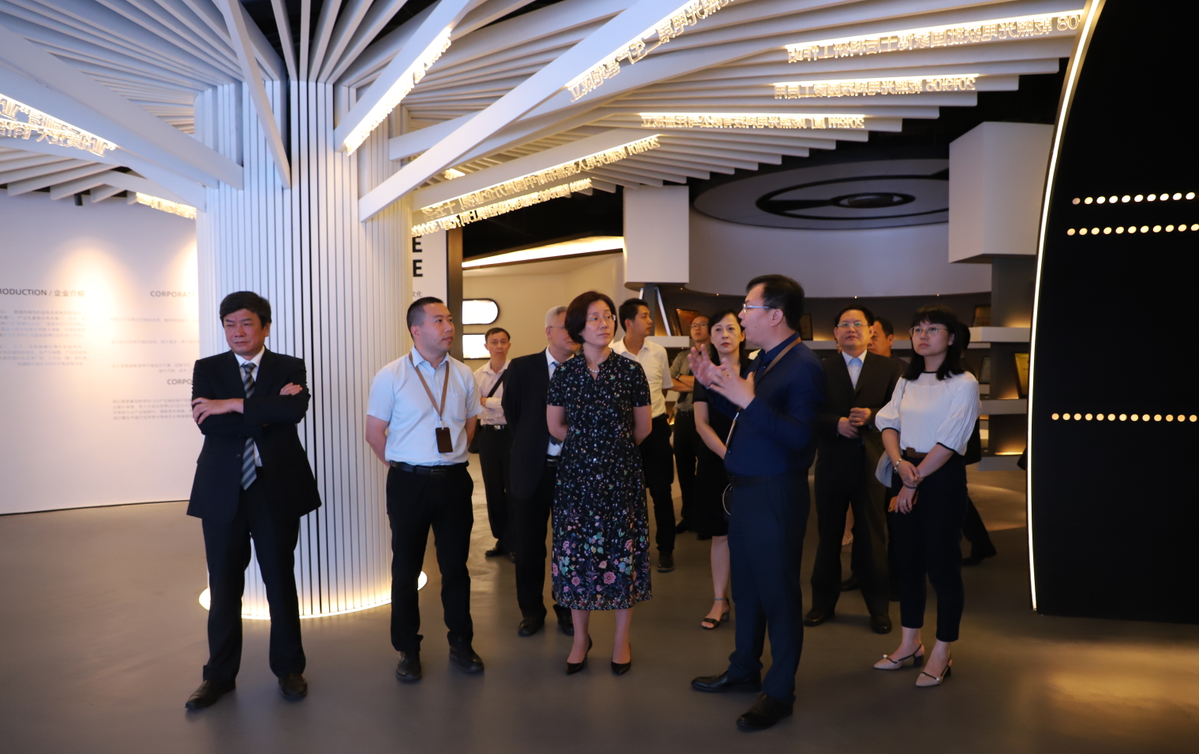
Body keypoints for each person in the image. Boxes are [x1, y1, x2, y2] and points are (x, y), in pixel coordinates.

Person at [689, 275, 825, 731]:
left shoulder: (803, 366)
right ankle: (744, 667)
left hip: (775, 493)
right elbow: (750, 419)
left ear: (776, 315)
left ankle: (780, 692)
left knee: (778, 594)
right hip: (747, 491)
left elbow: (801, 437)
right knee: (746, 589)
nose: (741, 316)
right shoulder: (766, 360)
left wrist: (747, 401)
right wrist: (715, 386)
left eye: (748, 308)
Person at [184, 291, 321, 709]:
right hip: (222, 490)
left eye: (246, 323)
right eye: (229, 324)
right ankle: (219, 676)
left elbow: (293, 412)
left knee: (279, 580)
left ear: (265, 326)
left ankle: (289, 669)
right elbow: (209, 425)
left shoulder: (288, 366)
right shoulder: (207, 368)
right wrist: (266, 409)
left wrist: (230, 404)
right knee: (224, 587)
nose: (237, 332)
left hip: (274, 487)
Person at [365, 297, 485, 683]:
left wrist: (445, 460)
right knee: (405, 570)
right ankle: (408, 649)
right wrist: (406, 466)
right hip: (408, 483)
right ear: (416, 330)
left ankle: (461, 642)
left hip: (454, 481)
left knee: (456, 568)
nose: (449, 326)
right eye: (439, 320)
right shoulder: (391, 375)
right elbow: (374, 433)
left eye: (449, 319)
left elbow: (469, 424)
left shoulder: (463, 374)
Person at [873, 305, 980, 688]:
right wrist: (899, 463)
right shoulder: (907, 380)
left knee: (943, 567)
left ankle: (942, 650)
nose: (923, 335)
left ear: (951, 338)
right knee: (907, 563)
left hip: (939, 477)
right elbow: (888, 421)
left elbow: (950, 441)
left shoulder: (964, 382)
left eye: (932, 329)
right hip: (906, 469)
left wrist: (911, 483)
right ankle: (910, 643)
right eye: (918, 329)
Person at [548, 291, 652, 675]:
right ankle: (580, 639)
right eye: (594, 317)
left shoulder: (631, 371)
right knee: (576, 558)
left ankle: (621, 639)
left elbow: (643, 428)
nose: (604, 323)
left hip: (621, 479)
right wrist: (587, 448)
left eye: (608, 316)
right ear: (578, 326)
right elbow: (555, 425)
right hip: (575, 481)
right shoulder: (565, 373)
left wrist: (610, 451)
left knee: (622, 558)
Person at [805, 306, 904, 635]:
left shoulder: (891, 368)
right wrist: (836, 423)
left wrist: (872, 415)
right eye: (844, 324)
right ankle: (822, 604)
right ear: (835, 333)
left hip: (872, 464)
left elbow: (900, 411)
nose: (851, 329)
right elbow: (809, 413)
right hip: (832, 463)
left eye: (857, 324)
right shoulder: (821, 368)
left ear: (870, 331)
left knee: (873, 537)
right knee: (828, 536)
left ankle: (878, 608)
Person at [501, 306, 579, 637]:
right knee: (529, 545)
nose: (572, 334)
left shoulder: (585, 369)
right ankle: (531, 611)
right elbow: (513, 412)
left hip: (572, 471)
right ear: (548, 332)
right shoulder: (522, 367)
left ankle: (567, 609)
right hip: (531, 468)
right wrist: (534, 444)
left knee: (568, 546)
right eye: (565, 327)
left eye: (574, 327)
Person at [691, 309, 747, 630]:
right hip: (716, 461)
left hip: (754, 461)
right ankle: (718, 600)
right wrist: (728, 455)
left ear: (742, 333)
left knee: (752, 533)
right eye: (718, 329)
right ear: (710, 337)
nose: (725, 334)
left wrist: (742, 457)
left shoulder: (756, 370)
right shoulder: (704, 374)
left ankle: (750, 599)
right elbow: (701, 423)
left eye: (731, 328)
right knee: (719, 534)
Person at [612, 299, 677, 572]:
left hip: (657, 428)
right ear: (628, 323)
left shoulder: (658, 352)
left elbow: (663, 389)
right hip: (624, 432)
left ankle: (666, 550)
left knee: (662, 492)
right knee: (625, 495)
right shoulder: (611, 353)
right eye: (645, 316)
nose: (650, 321)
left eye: (650, 315)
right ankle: (629, 549)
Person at [473, 327, 514, 561]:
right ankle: (502, 539)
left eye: (503, 341)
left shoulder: (516, 371)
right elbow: (473, 406)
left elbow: (512, 404)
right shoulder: (477, 374)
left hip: (511, 435)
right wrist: (498, 404)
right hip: (488, 435)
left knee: (513, 488)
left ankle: (515, 540)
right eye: (494, 342)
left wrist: (486, 401)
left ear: (509, 345)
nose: (499, 346)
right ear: (486, 346)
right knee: (493, 488)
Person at [670, 314, 711, 537]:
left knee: (705, 469)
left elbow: (713, 382)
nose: (697, 328)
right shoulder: (682, 355)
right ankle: (688, 516)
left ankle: (704, 519)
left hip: (704, 417)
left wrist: (683, 379)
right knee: (684, 469)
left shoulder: (715, 355)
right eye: (694, 325)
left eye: (702, 324)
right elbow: (670, 382)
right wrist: (699, 382)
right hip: (682, 417)